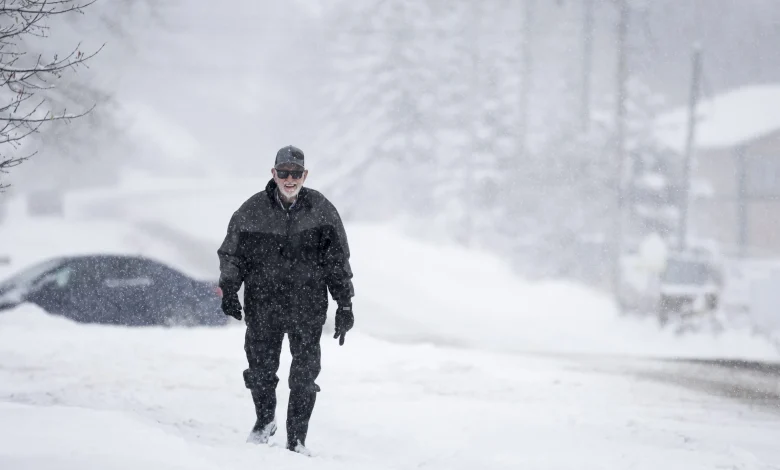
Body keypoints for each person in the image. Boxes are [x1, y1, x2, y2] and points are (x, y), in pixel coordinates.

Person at [217, 145, 355, 455]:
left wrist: (345, 305)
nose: (289, 179)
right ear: (273, 173)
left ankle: (297, 439)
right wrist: (229, 289)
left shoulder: (322, 211)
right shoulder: (251, 211)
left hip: (307, 308)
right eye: (284, 173)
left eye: (295, 174)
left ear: (305, 175)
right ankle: (265, 421)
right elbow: (232, 255)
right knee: (260, 371)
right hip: (262, 306)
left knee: (304, 377)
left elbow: (337, 262)